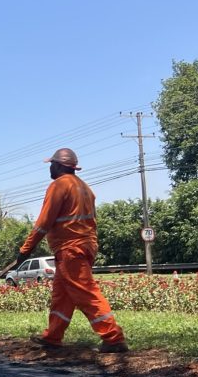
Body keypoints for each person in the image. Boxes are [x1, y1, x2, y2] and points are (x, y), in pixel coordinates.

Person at [15, 148, 128, 353]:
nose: (50, 168)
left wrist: (26, 249)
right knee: (62, 295)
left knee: (86, 293)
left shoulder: (59, 185)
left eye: (52, 164)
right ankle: (53, 337)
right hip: (84, 246)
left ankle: (114, 338)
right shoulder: (85, 188)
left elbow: (43, 223)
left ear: (59, 166)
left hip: (70, 249)